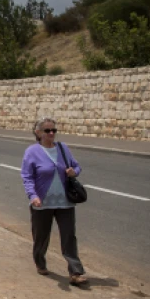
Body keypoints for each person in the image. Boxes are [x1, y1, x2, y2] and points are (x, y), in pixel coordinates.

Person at [21, 117, 88, 285]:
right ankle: (40, 262)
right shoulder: (31, 151)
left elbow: (77, 167)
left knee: (69, 237)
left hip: (65, 201)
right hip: (41, 203)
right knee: (41, 237)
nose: (51, 133)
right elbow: (27, 177)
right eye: (47, 131)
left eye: (54, 130)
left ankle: (76, 272)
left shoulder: (63, 148)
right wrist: (33, 196)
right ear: (38, 133)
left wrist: (74, 172)